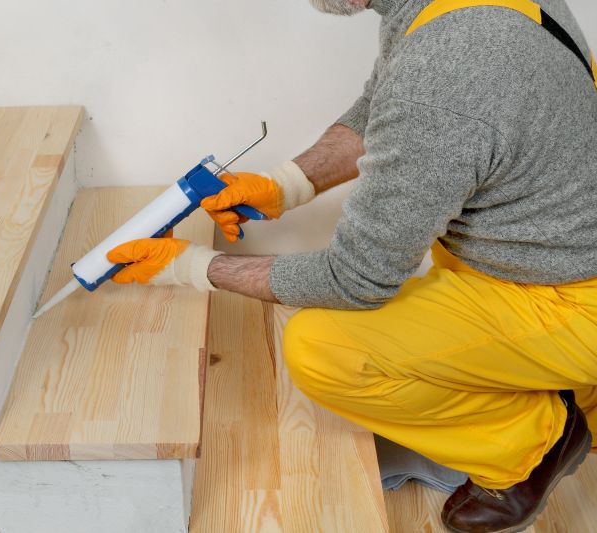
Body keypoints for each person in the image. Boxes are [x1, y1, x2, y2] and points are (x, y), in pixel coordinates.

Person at [105, 0, 597, 531]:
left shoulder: (445, 74)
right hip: (552, 255)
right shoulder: (444, 17)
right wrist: (285, 186)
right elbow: (381, 106)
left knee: (323, 348)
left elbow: (354, 279)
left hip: (568, 300)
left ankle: (535, 443)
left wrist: (191, 267)